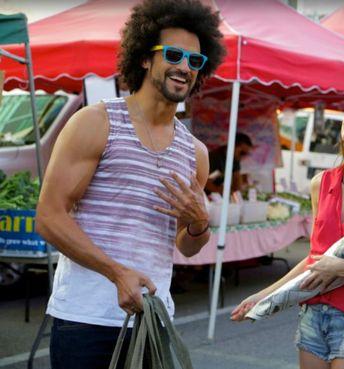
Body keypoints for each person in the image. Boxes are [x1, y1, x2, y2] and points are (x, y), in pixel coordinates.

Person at [34, 1, 225, 368]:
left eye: (195, 61)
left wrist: (200, 223)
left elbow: (186, 247)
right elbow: (49, 217)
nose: (185, 67)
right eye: (173, 54)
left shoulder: (195, 153)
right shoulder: (96, 123)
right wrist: (116, 272)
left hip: (152, 320)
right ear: (144, 58)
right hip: (85, 319)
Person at [231, 95, 344, 369]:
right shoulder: (321, 183)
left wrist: (342, 267)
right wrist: (263, 296)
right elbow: (315, 260)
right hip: (313, 313)